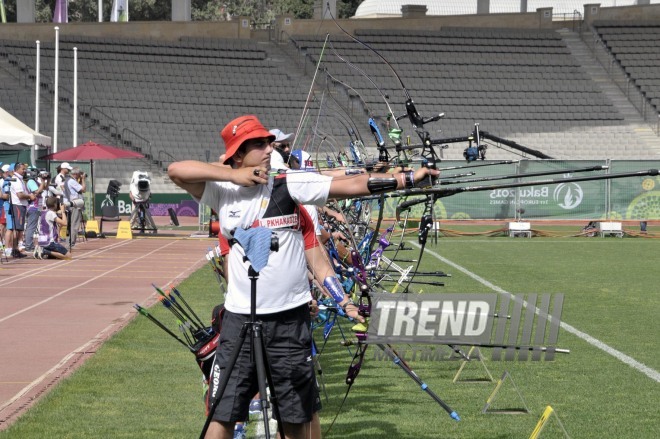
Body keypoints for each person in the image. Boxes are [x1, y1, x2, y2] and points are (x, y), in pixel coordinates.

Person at [168, 114, 438, 439]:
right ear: (238, 153)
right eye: (258, 144)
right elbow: (176, 171)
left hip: (288, 322)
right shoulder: (221, 189)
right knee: (222, 416)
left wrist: (407, 178)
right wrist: (234, 175)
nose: (268, 149)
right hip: (240, 321)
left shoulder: (288, 183)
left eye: (269, 142)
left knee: (297, 418)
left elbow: (349, 185)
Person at [7, 163, 35, 258]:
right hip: (18, 205)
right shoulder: (16, 180)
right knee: (17, 229)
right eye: (23, 169)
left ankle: (15, 249)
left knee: (19, 229)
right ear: (17, 169)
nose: (24, 171)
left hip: (21, 205)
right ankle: (14, 249)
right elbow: (20, 195)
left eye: (24, 169)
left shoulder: (20, 179)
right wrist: (29, 196)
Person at [63, 167, 86, 248]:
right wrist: (83, 180)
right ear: (76, 174)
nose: (81, 175)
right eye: (80, 174)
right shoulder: (72, 181)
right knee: (74, 224)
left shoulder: (67, 180)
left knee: (70, 224)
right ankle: (71, 243)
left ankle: (68, 242)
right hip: (74, 204)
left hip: (68, 203)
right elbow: (83, 189)